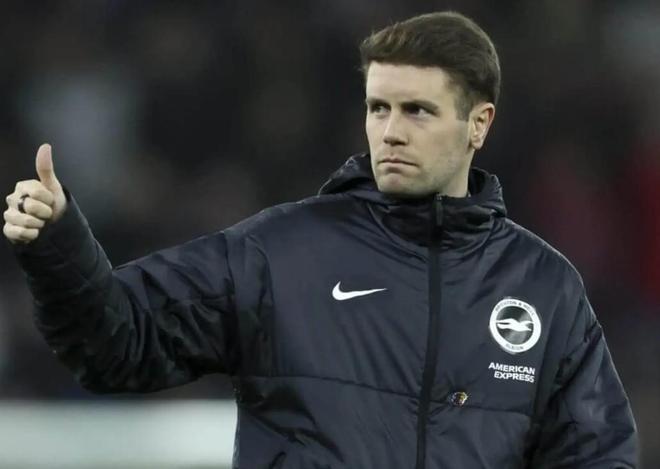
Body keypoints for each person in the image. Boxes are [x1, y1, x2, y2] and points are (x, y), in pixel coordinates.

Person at [3, 11, 638, 469]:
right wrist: (59, 241)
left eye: (417, 111)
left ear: (479, 124)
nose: (390, 132)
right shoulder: (282, 252)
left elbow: (597, 453)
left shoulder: (543, 286)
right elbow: (119, 341)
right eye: (378, 107)